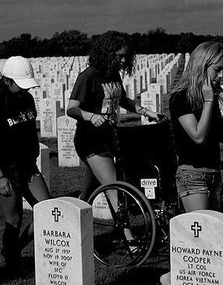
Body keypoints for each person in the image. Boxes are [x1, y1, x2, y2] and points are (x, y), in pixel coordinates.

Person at [158, 41, 223, 285]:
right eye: (218, 69)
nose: (220, 75)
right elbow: (198, 136)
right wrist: (209, 103)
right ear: (203, 65)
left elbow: (221, 136)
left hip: (213, 172)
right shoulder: (181, 98)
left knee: (213, 239)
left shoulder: (208, 96)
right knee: (198, 238)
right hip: (192, 175)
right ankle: (170, 278)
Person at [0, 56, 52, 274]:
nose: (24, 90)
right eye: (20, 85)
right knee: (15, 218)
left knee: (46, 210)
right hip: (4, 169)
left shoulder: (27, 99)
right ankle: (12, 261)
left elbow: (29, 129)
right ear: (7, 80)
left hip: (27, 166)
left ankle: (13, 249)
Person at [67, 31, 161, 200]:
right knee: (116, 190)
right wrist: (91, 116)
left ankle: (74, 219)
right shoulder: (88, 76)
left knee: (89, 192)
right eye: (120, 56)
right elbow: (72, 109)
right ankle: (125, 227)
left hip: (110, 137)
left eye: (126, 56)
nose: (124, 61)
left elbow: (122, 99)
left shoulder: (113, 73)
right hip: (91, 140)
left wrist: (147, 112)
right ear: (107, 53)